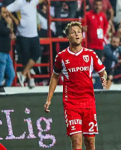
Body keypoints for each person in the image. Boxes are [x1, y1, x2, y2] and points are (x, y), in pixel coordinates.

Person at [44, 21, 107, 150]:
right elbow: (55, 76)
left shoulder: (90, 55)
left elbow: (103, 71)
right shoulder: (61, 57)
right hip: (71, 103)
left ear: (82, 36)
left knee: (89, 141)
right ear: (68, 37)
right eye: (73, 32)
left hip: (88, 103)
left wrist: (103, 78)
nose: (77, 34)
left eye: (79, 32)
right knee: (77, 141)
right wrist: (49, 99)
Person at [6, 0, 48, 88]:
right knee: (25, 57)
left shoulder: (34, 0)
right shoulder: (19, 2)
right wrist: (14, 19)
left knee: (37, 53)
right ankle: (29, 79)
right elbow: (7, 9)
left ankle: (24, 74)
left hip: (34, 34)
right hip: (23, 34)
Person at [0, 6, 15, 92]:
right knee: (0, 72)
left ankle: (6, 89)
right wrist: (9, 24)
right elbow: (5, 31)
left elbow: (9, 33)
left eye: (7, 12)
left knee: (11, 74)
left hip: (5, 51)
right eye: (4, 12)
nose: (6, 14)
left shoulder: (3, 22)